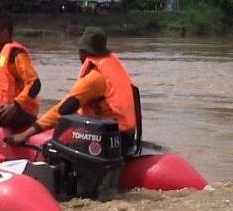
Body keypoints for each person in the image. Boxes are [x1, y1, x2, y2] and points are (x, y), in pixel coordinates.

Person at [9, 27, 142, 156]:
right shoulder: (113, 67)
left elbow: (63, 110)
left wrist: (25, 135)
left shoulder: (94, 79)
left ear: (83, 52)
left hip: (111, 141)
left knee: (51, 149)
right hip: (127, 136)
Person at [0, 16, 41, 130]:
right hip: (0, 109)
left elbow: (35, 83)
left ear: (5, 33)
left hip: (21, 111)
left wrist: (16, 105)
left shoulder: (16, 54)